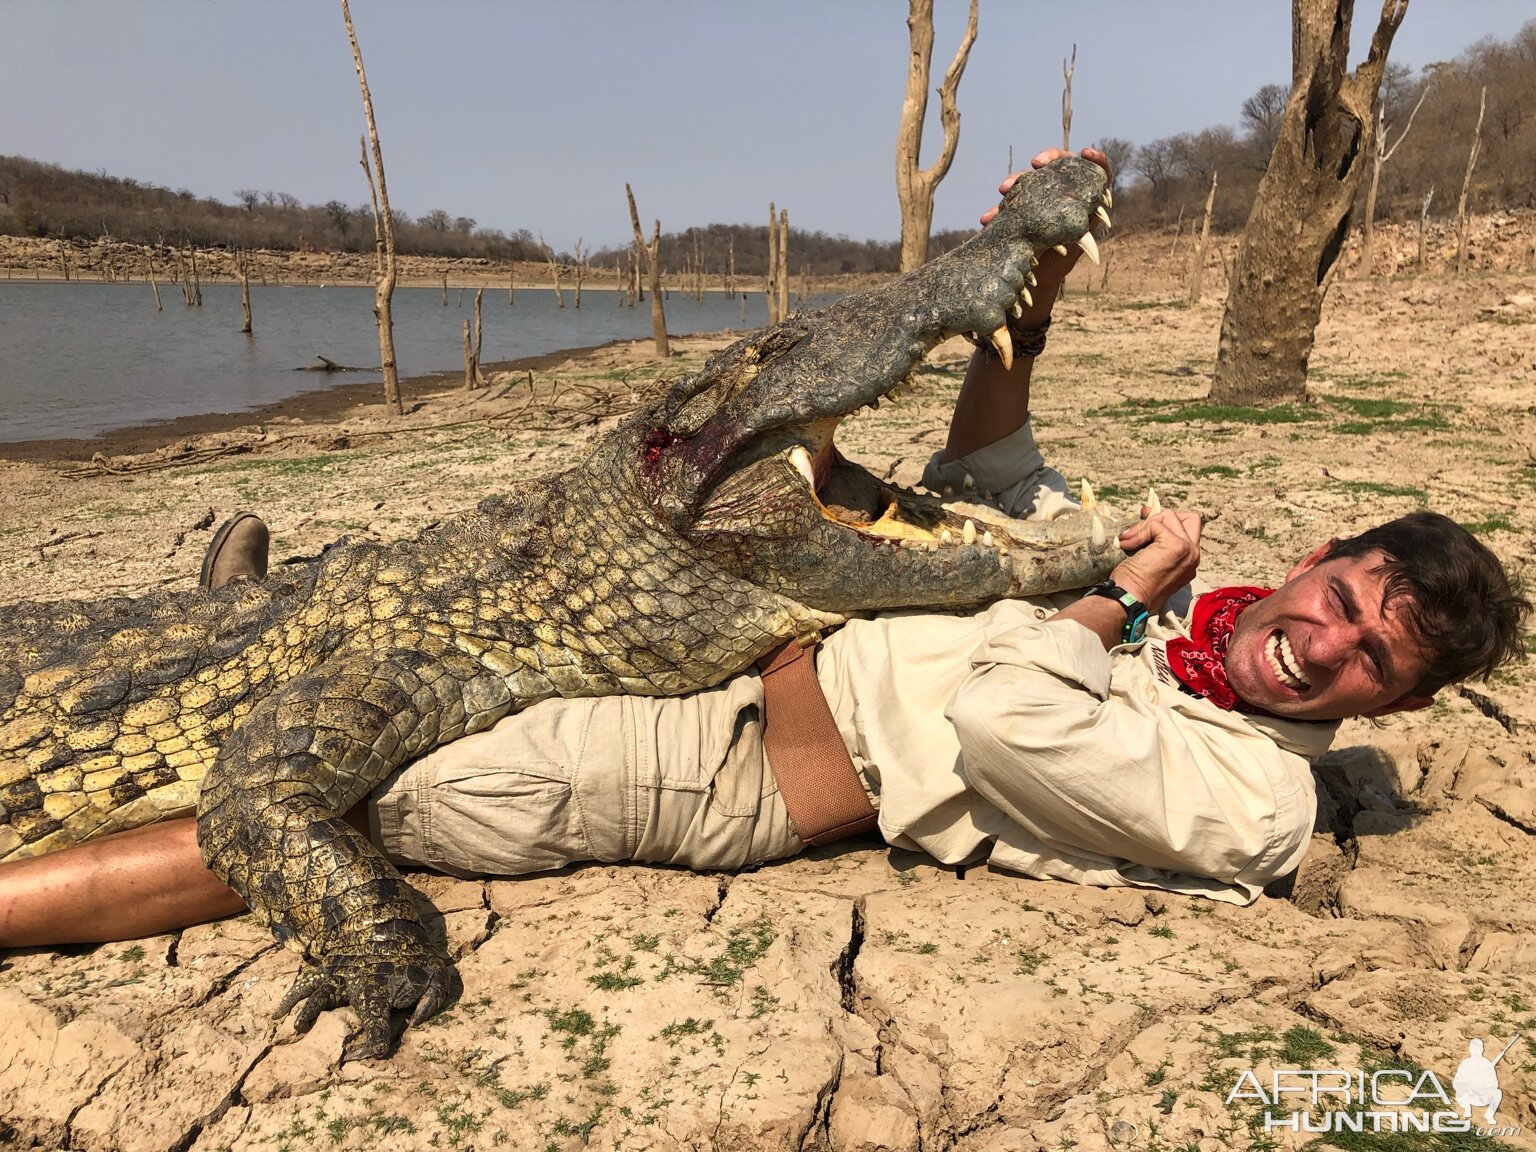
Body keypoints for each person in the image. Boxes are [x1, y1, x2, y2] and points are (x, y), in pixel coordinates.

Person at [0, 149, 1526, 949]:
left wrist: (1098, 599)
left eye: (1369, 658)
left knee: (351, 795)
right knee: (375, 623)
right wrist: (1026, 301)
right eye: (1345, 595)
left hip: (732, 756)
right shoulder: (1173, 593)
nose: (1324, 638)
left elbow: (1006, 720)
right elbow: (989, 469)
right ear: (1320, 555)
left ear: (1381, 710)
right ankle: (262, 604)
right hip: (736, 618)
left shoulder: (1256, 795)